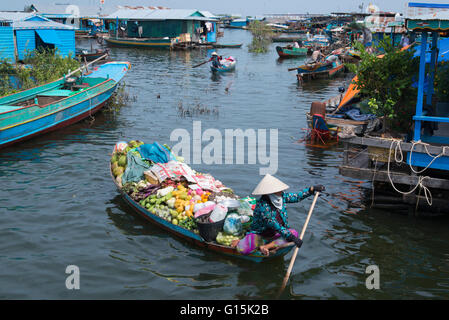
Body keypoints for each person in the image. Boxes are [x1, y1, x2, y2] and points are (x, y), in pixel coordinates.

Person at [234, 174, 325, 256]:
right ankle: (242, 241)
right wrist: (290, 237)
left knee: (295, 233)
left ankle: (267, 247)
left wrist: (311, 189)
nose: (282, 191)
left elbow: (296, 197)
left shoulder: (281, 197)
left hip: (275, 234)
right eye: (279, 190)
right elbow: (274, 224)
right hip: (261, 235)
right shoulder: (263, 205)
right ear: (271, 192)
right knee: (242, 250)